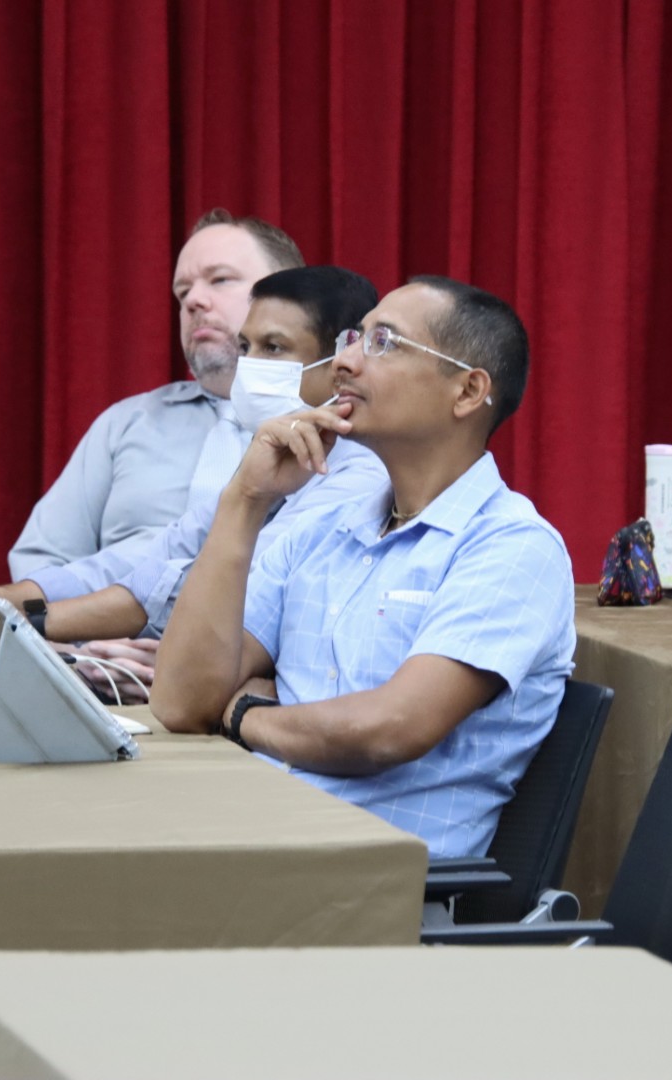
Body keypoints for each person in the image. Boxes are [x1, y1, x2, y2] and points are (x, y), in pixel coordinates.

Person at [151, 276, 575, 860]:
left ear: (467, 391)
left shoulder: (511, 547)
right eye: (354, 338)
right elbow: (180, 702)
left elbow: (389, 729)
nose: (344, 363)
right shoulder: (323, 530)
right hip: (251, 841)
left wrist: (243, 714)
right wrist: (246, 498)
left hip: (370, 878)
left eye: (383, 343)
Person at [0, 266, 386, 652]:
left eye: (273, 349)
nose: (250, 368)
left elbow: (207, 590)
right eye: (246, 347)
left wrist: (9, 622)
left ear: (342, 361)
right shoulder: (272, 456)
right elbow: (144, 565)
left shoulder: (363, 474)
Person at [7, 209, 302, 579]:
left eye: (220, 280)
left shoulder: (331, 428)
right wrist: (71, 622)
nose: (193, 300)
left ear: (289, 296)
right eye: (183, 291)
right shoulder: (125, 423)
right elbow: (41, 558)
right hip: (103, 614)